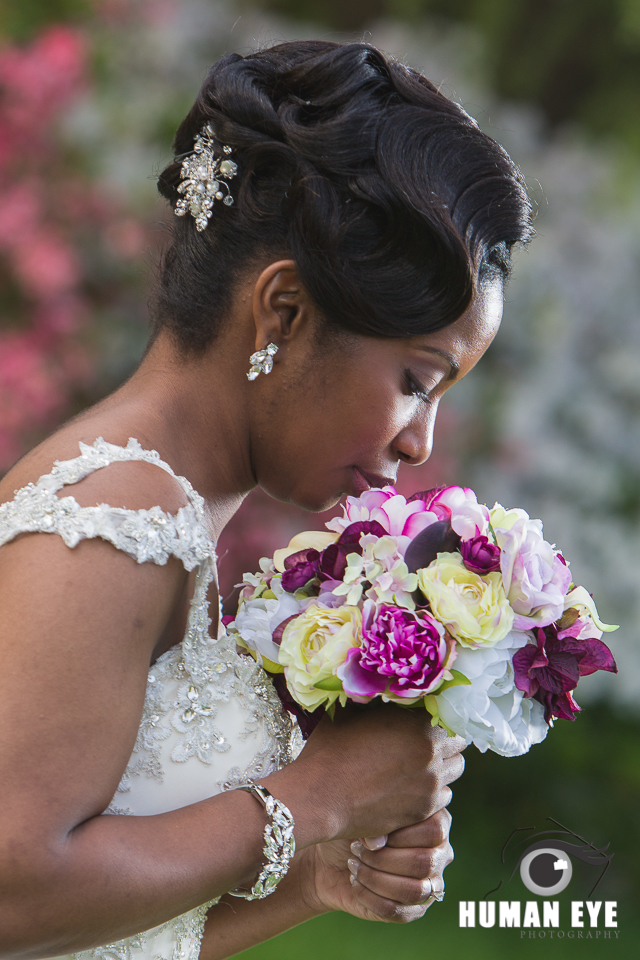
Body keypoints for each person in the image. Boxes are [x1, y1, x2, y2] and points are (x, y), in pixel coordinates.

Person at [0, 39, 533, 960]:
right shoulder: (115, 520)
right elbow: (13, 897)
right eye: (417, 379)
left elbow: (92, 935)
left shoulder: (173, 502)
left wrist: (316, 880)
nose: (421, 443)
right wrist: (316, 798)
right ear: (282, 310)